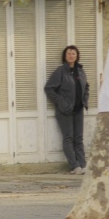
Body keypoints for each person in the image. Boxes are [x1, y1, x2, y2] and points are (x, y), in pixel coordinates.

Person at [44, 45, 89, 175]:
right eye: (69, 53)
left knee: (79, 138)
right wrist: (61, 102)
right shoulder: (60, 71)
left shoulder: (80, 71)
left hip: (78, 109)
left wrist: (84, 99)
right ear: (65, 56)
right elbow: (49, 88)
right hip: (65, 111)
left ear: (77, 56)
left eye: (73, 53)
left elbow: (86, 87)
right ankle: (74, 166)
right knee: (68, 138)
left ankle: (83, 164)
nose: (71, 55)